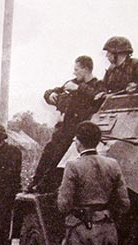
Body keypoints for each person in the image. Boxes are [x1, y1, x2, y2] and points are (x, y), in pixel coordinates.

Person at [29, 56, 101, 192]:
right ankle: (35, 183)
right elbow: (51, 91)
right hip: (62, 129)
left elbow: (98, 97)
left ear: (86, 69)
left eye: (77, 69)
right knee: (48, 154)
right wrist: (50, 95)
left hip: (77, 132)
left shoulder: (97, 85)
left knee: (59, 160)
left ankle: (44, 187)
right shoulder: (70, 83)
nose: (74, 73)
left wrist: (78, 88)